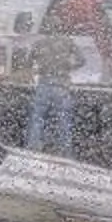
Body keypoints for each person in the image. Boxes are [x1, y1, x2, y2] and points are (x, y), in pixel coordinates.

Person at [26, 15, 81, 155]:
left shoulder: (39, 43)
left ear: (46, 28)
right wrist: (69, 66)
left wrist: (38, 68)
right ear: (60, 27)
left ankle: (33, 148)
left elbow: (28, 61)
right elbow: (82, 60)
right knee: (64, 119)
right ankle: (66, 151)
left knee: (38, 118)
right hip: (61, 86)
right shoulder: (68, 42)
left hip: (44, 84)